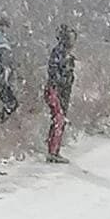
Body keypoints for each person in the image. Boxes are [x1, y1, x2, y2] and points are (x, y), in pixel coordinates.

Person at [45, 23, 76, 164]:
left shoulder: (64, 54)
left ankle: (54, 150)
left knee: (59, 120)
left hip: (60, 91)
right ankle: (52, 151)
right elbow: (55, 74)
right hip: (56, 91)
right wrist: (62, 83)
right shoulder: (60, 53)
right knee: (59, 119)